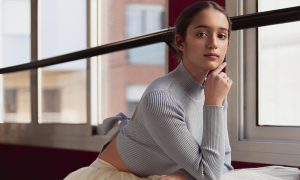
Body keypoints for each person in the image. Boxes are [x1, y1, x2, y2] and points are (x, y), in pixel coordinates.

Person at [65, 1, 233, 179]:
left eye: (222, 36)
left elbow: (224, 165)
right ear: (180, 42)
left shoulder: (214, 91)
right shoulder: (161, 97)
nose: (213, 43)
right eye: (201, 34)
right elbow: (210, 175)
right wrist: (213, 105)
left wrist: (181, 176)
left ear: (228, 44)